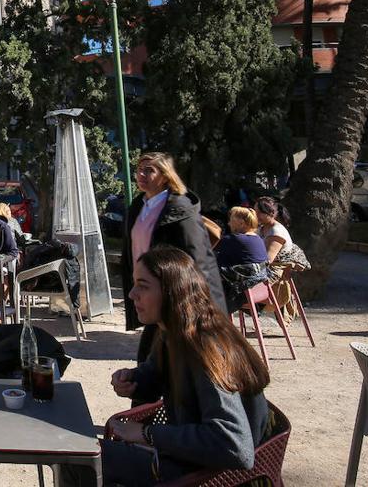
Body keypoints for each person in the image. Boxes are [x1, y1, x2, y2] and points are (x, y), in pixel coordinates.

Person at [103, 247, 271, 486]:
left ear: (172, 292)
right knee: (85, 454)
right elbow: (159, 375)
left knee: (85, 458)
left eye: (143, 285)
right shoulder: (173, 332)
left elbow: (234, 444)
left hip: (210, 475)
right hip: (186, 459)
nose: (131, 294)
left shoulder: (204, 350)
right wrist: (134, 380)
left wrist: (146, 434)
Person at [121, 152, 225, 360]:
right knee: (154, 354)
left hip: (173, 292)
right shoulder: (139, 206)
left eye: (149, 170)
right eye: (139, 170)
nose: (141, 174)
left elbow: (196, 256)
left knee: (168, 355)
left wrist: (200, 300)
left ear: (166, 175)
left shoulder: (179, 208)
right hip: (150, 289)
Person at [253, 196, 310, 320]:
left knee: (233, 289)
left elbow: (267, 260)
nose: (255, 215)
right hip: (263, 270)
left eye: (259, 212)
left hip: (272, 277)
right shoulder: (261, 228)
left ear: (271, 213)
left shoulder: (276, 232)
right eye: (255, 211)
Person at [215, 206, 269, 312]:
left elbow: (217, 265)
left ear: (241, 223)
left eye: (231, 220)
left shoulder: (232, 240)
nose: (229, 224)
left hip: (239, 293)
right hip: (258, 290)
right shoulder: (258, 239)